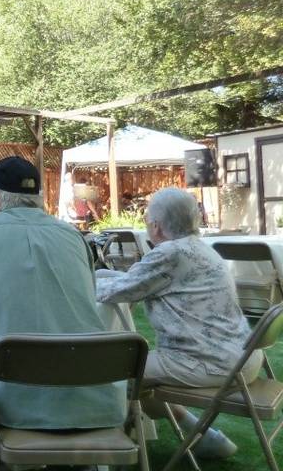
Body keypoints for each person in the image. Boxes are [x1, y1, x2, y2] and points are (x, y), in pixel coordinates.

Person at [0, 157, 124, 461]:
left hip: (9, 392)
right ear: (39, 199)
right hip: (92, 389)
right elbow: (85, 296)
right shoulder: (74, 236)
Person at [96, 187, 257, 459]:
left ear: (156, 227)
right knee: (140, 379)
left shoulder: (169, 253)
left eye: (148, 219)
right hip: (243, 358)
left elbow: (112, 292)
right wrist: (105, 275)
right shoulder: (199, 249)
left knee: (108, 369)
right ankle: (203, 435)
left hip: (209, 362)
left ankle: (103, 450)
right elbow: (131, 281)